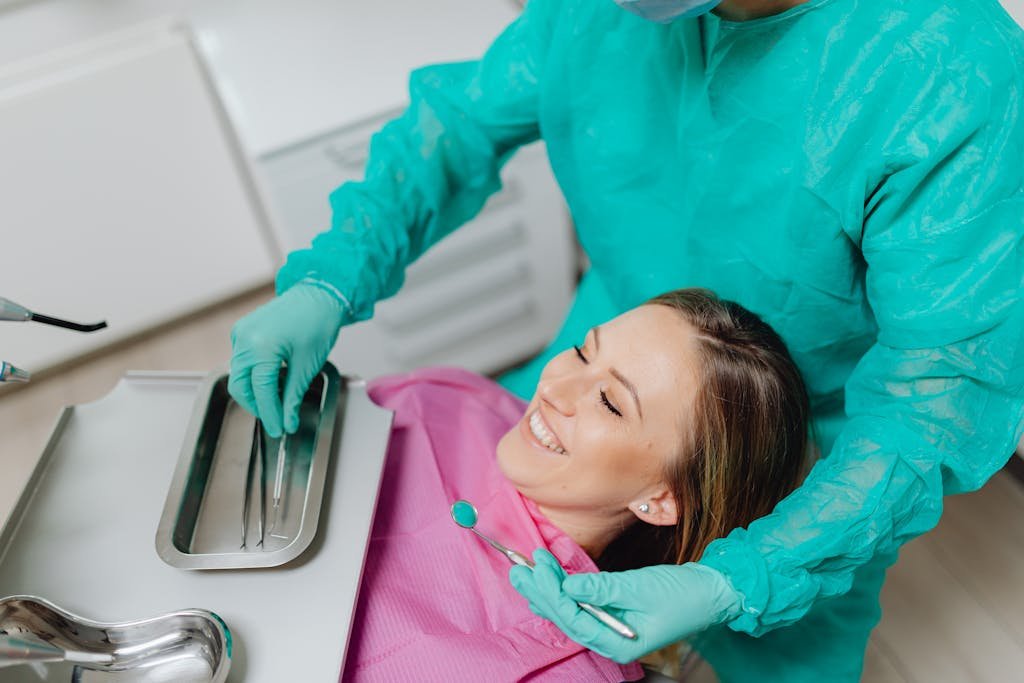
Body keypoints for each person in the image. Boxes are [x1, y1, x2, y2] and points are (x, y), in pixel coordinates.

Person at [228, 0, 1024, 679]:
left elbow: (940, 395)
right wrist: (327, 278)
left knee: (780, 654)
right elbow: (460, 123)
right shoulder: (599, 18)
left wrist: (743, 577)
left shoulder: (945, 72)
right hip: (618, 336)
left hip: (809, 454)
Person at [343, 289, 808, 681]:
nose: (553, 389)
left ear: (662, 499)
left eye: (609, 403)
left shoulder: (571, 665)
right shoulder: (448, 398)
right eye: (585, 352)